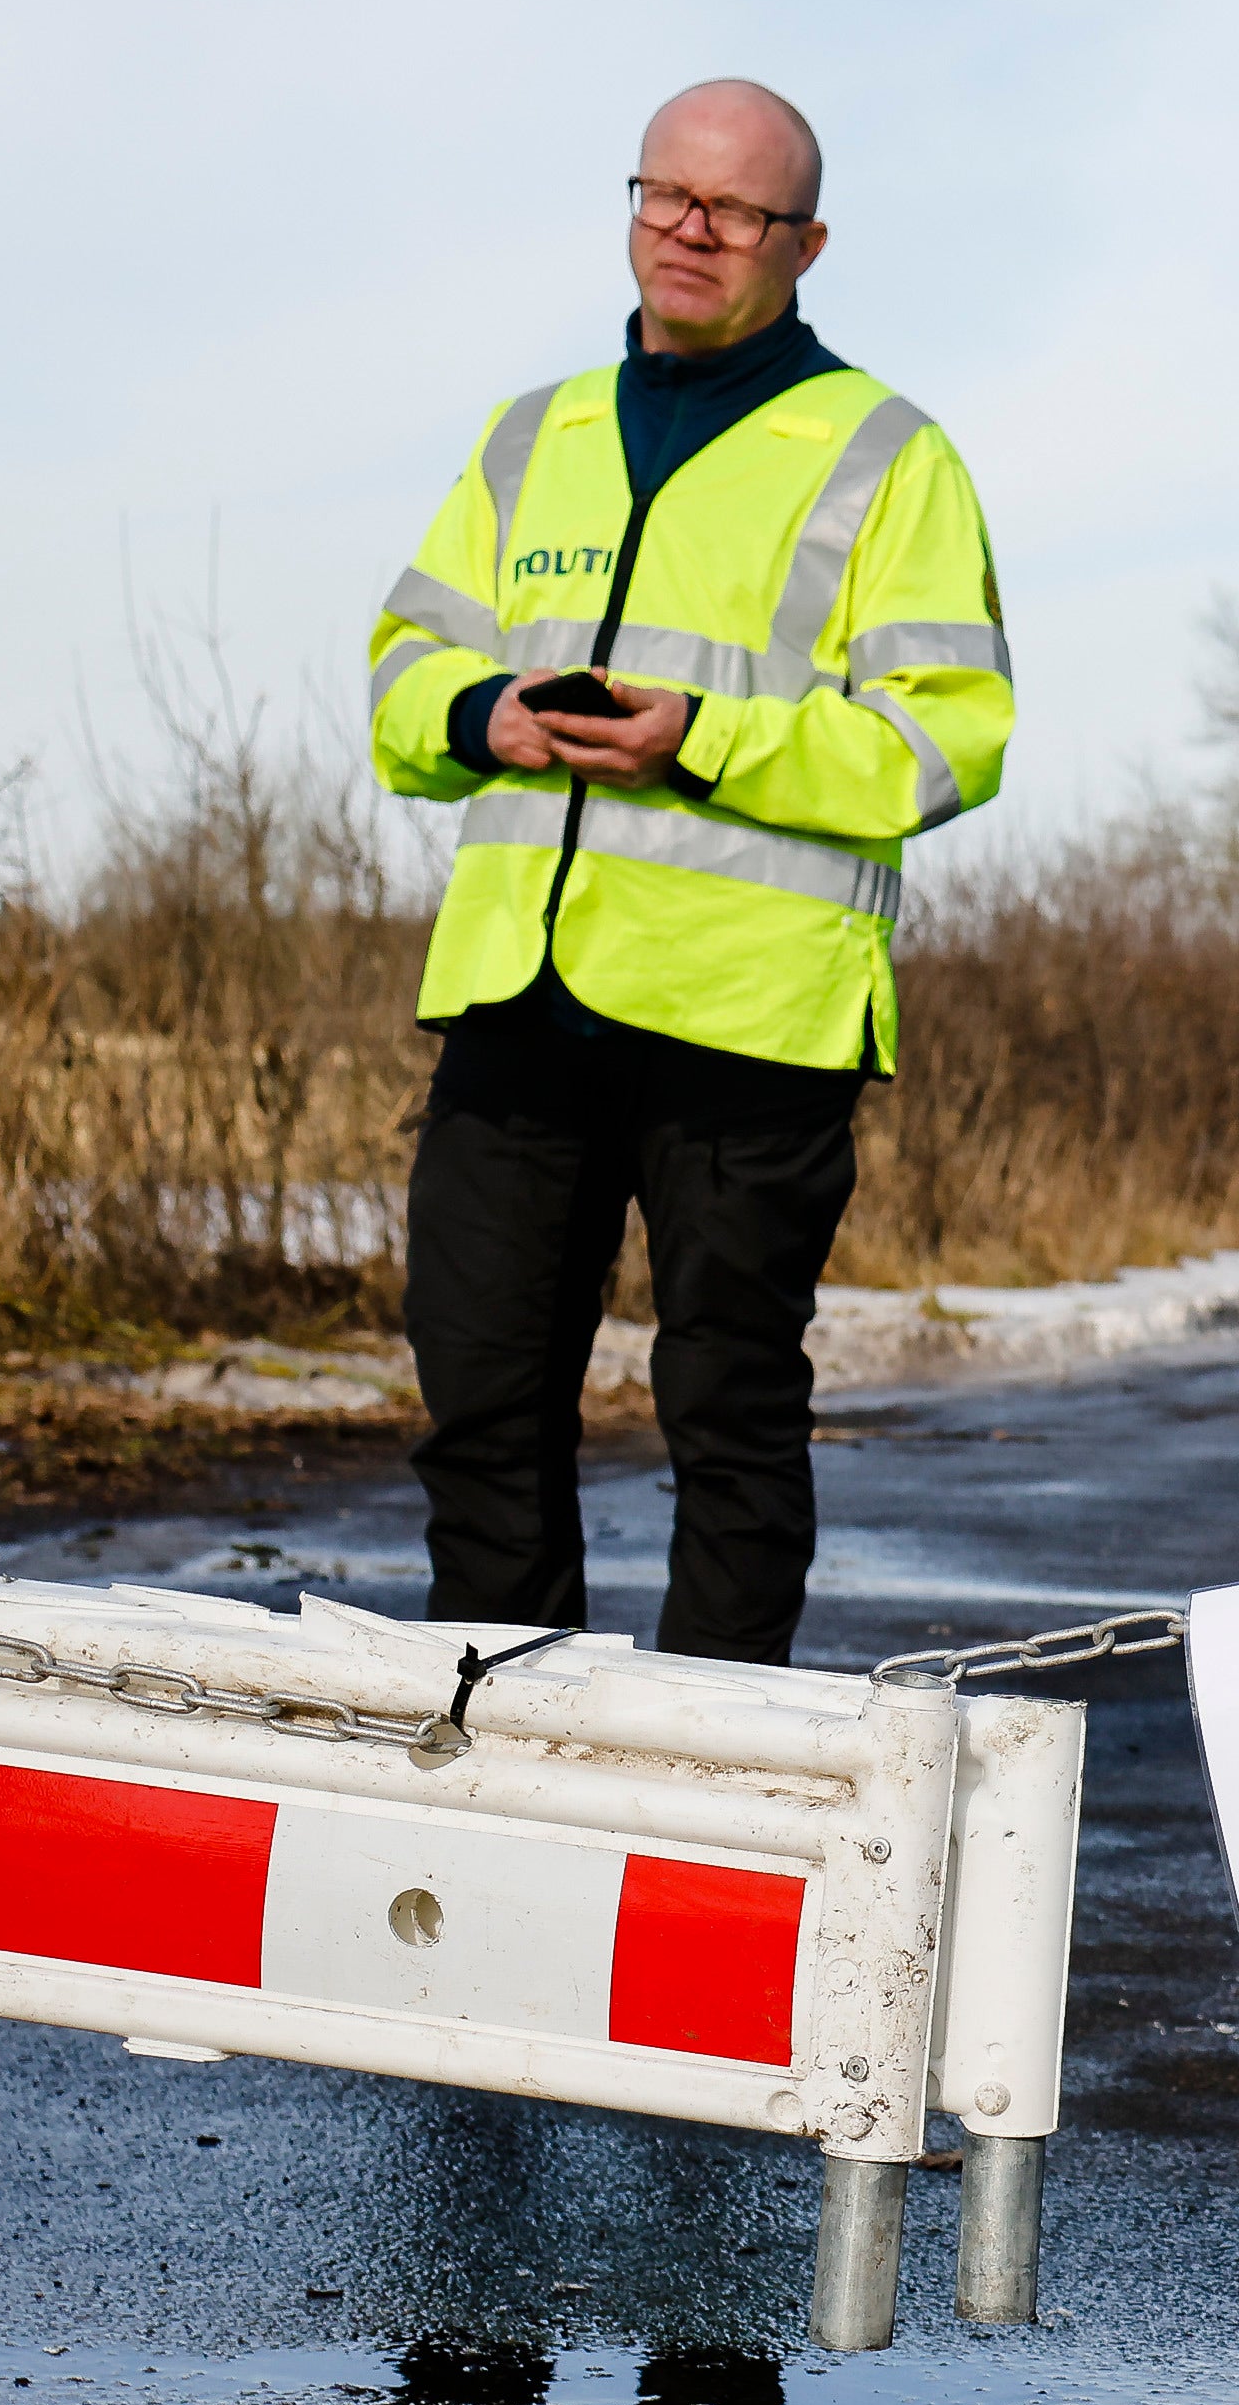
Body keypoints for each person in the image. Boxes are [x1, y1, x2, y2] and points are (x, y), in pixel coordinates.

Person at [364, 81, 1011, 1664]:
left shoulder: (887, 455)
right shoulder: (535, 434)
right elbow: (402, 668)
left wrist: (703, 737)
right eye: (664, 194)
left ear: (808, 242)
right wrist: (479, 712)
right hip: (522, 997)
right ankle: (518, 1753)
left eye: (734, 210)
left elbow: (948, 742)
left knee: (726, 1420)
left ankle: (721, 1779)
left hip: (751, 1024)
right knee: (480, 1404)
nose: (689, 231)